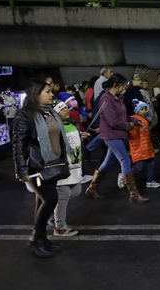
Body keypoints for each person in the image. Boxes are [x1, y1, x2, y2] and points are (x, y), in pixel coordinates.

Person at [13, 80, 74, 258]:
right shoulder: (25, 115)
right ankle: (36, 238)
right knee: (50, 199)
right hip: (36, 166)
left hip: (53, 164)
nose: (51, 94)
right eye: (47, 91)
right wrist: (21, 169)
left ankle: (42, 238)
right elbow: (19, 143)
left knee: (42, 201)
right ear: (36, 93)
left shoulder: (50, 112)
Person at [84, 73, 149, 203]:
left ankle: (92, 188)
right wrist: (130, 125)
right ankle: (134, 194)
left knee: (107, 162)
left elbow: (122, 116)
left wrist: (134, 121)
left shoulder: (117, 98)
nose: (125, 87)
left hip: (118, 134)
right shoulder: (106, 99)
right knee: (125, 160)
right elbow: (113, 122)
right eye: (123, 85)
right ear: (115, 85)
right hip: (111, 135)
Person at [49, 100, 88, 237]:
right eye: (62, 109)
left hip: (75, 168)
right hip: (63, 169)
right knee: (63, 196)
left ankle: (50, 213)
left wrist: (82, 136)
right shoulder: (54, 128)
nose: (66, 110)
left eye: (66, 107)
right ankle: (60, 227)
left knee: (76, 191)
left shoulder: (73, 124)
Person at [126, 99, 160, 188]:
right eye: (142, 109)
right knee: (139, 167)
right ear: (137, 110)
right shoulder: (135, 121)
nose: (144, 111)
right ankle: (125, 176)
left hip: (146, 147)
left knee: (150, 164)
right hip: (139, 148)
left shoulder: (142, 120)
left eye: (145, 109)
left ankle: (150, 181)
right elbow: (133, 134)